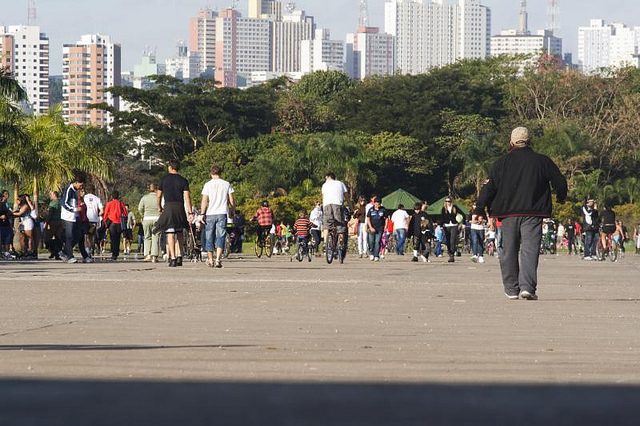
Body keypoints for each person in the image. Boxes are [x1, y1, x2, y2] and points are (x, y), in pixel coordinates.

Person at [475, 126, 567, 300]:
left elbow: (489, 187)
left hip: (507, 213)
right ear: (529, 141)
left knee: (508, 250)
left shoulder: (501, 162)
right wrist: (561, 198)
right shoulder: (542, 161)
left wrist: (479, 208)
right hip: (533, 212)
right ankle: (527, 288)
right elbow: (559, 182)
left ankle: (511, 288)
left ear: (511, 142)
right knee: (530, 250)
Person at [154, 160, 194, 267]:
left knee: (170, 233)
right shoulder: (183, 180)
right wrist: (190, 212)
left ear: (170, 168)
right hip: (179, 207)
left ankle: (172, 257)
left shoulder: (163, 179)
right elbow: (187, 197)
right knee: (179, 231)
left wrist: (159, 207)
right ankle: (180, 255)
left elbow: (158, 196)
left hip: (169, 207)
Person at [200, 165, 235, 268]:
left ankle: (210, 259)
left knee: (209, 236)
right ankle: (218, 259)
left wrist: (202, 213)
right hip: (222, 212)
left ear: (211, 173)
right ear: (221, 173)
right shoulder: (226, 184)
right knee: (221, 235)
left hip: (210, 213)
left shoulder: (207, 185)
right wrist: (232, 210)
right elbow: (232, 200)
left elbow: (204, 200)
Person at [60, 172, 90, 264]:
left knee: (78, 235)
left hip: (75, 217)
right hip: (68, 217)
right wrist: (74, 209)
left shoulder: (74, 191)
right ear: (76, 182)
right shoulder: (69, 189)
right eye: (81, 185)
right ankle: (69, 256)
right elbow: (64, 203)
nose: (82, 187)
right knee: (69, 237)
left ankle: (64, 252)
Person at [321, 172, 348, 249]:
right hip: (337, 205)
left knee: (326, 226)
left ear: (328, 177)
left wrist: (323, 209)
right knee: (340, 225)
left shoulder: (324, 185)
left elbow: (323, 197)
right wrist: (351, 208)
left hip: (326, 205)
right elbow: (347, 196)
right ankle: (341, 244)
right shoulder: (340, 183)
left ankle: (325, 243)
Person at [138, 183, 161, 263]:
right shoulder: (159, 197)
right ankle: (154, 256)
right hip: (157, 218)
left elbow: (140, 208)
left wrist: (143, 215)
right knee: (156, 237)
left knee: (147, 237)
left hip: (147, 218)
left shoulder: (144, 198)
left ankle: (148, 255)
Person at [103, 190, 127, 261]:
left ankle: (114, 253)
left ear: (112, 196)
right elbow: (125, 214)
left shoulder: (109, 204)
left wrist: (105, 222)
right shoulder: (121, 203)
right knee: (118, 238)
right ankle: (116, 252)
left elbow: (106, 214)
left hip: (112, 223)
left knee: (113, 239)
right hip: (119, 223)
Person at [83, 184, 103, 257]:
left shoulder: (84, 198)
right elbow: (102, 211)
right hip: (93, 221)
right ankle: (91, 249)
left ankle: (87, 251)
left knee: (86, 236)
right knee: (91, 236)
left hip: (85, 220)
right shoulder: (97, 199)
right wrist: (97, 216)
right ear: (93, 190)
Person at [43, 191, 64, 260]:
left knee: (47, 238)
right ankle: (58, 252)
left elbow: (50, 214)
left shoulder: (53, 203)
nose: (50, 196)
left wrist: (46, 222)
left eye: (51, 195)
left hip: (53, 222)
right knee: (58, 238)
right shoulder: (61, 202)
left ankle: (54, 251)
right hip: (61, 221)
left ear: (54, 195)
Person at [366, 197, 387, 261]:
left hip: (380, 228)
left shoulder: (383, 210)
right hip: (371, 228)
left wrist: (385, 226)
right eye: (376, 204)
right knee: (371, 242)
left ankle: (376, 255)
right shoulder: (371, 209)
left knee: (377, 242)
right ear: (374, 203)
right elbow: (368, 219)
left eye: (379, 204)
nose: (377, 206)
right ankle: (371, 253)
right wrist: (370, 227)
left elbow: (386, 218)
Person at [441, 197, 459, 263]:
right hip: (446, 226)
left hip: (454, 225)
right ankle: (449, 253)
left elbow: (462, 214)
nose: (448, 202)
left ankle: (452, 255)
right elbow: (442, 217)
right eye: (446, 201)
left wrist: (462, 222)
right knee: (447, 241)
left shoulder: (455, 208)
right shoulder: (443, 209)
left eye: (449, 201)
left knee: (452, 241)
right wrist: (441, 225)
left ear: (451, 201)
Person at [0, 190, 14, 259]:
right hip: (2, 224)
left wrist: (6, 216)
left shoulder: (3, 205)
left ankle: (6, 252)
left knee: (7, 238)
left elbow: (9, 213)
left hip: (5, 224)